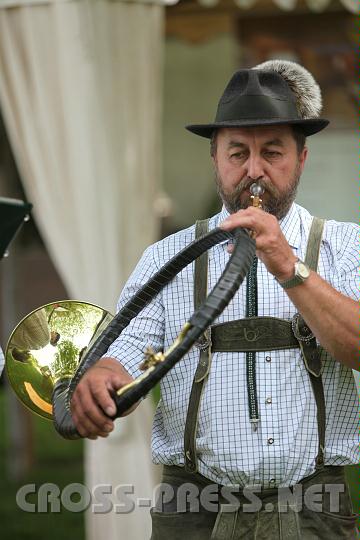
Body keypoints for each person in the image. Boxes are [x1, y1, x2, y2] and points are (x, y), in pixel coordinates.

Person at [70, 60, 360, 539]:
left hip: (316, 508)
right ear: (215, 160)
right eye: (237, 153)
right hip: (193, 511)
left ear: (301, 159)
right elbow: (123, 355)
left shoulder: (345, 247)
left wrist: (288, 265)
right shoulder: (165, 256)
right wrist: (102, 377)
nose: (254, 170)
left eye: (272, 152)